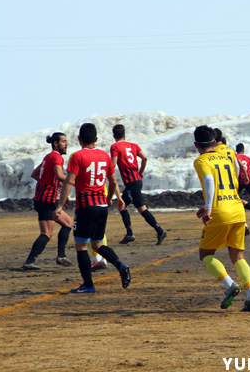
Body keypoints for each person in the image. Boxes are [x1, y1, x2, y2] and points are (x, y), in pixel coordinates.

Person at [53, 123, 132, 293]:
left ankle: (88, 285)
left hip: (86, 206)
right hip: (102, 205)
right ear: (96, 139)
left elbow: (69, 181)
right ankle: (120, 264)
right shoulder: (104, 155)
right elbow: (113, 182)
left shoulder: (77, 156)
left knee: (81, 246)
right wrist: (111, 198)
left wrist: (60, 204)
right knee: (97, 244)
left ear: (79, 139)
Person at [192, 125, 250, 312]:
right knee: (238, 256)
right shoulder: (227, 156)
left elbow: (209, 181)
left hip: (220, 212)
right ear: (214, 142)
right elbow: (236, 176)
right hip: (238, 209)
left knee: (205, 255)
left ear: (196, 145)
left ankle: (230, 285)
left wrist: (208, 208)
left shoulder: (201, 160)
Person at [22, 133, 74, 269]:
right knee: (46, 233)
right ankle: (30, 261)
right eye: (63, 141)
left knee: (68, 223)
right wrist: (74, 182)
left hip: (45, 199)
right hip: (46, 201)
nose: (66, 144)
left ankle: (61, 256)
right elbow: (59, 175)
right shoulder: (56, 157)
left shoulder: (48, 157)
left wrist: (52, 184)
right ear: (56, 143)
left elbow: (35, 174)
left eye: (66, 141)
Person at [110, 124, 166, 245]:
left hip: (131, 183)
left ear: (114, 136)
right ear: (124, 134)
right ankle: (130, 234)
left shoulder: (115, 147)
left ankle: (159, 230)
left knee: (141, 209)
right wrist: (140, 172)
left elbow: (112, 165)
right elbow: (144, 158)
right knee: (122, 205)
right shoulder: (133, 145)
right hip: (137, 180)